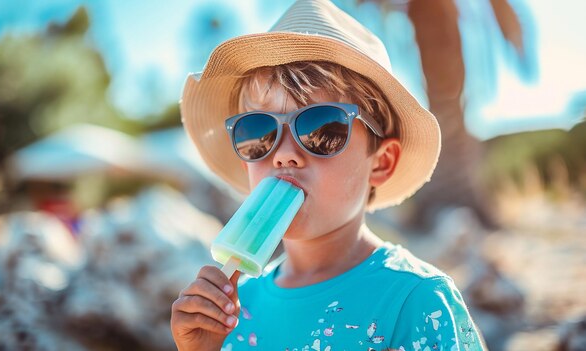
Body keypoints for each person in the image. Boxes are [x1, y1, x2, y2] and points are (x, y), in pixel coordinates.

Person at [171, 0, 486, 350]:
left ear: (381, 163)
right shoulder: (234, 311)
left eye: (322, 128)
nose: (284, 154)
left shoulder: (417, 300)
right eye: (258, 132)